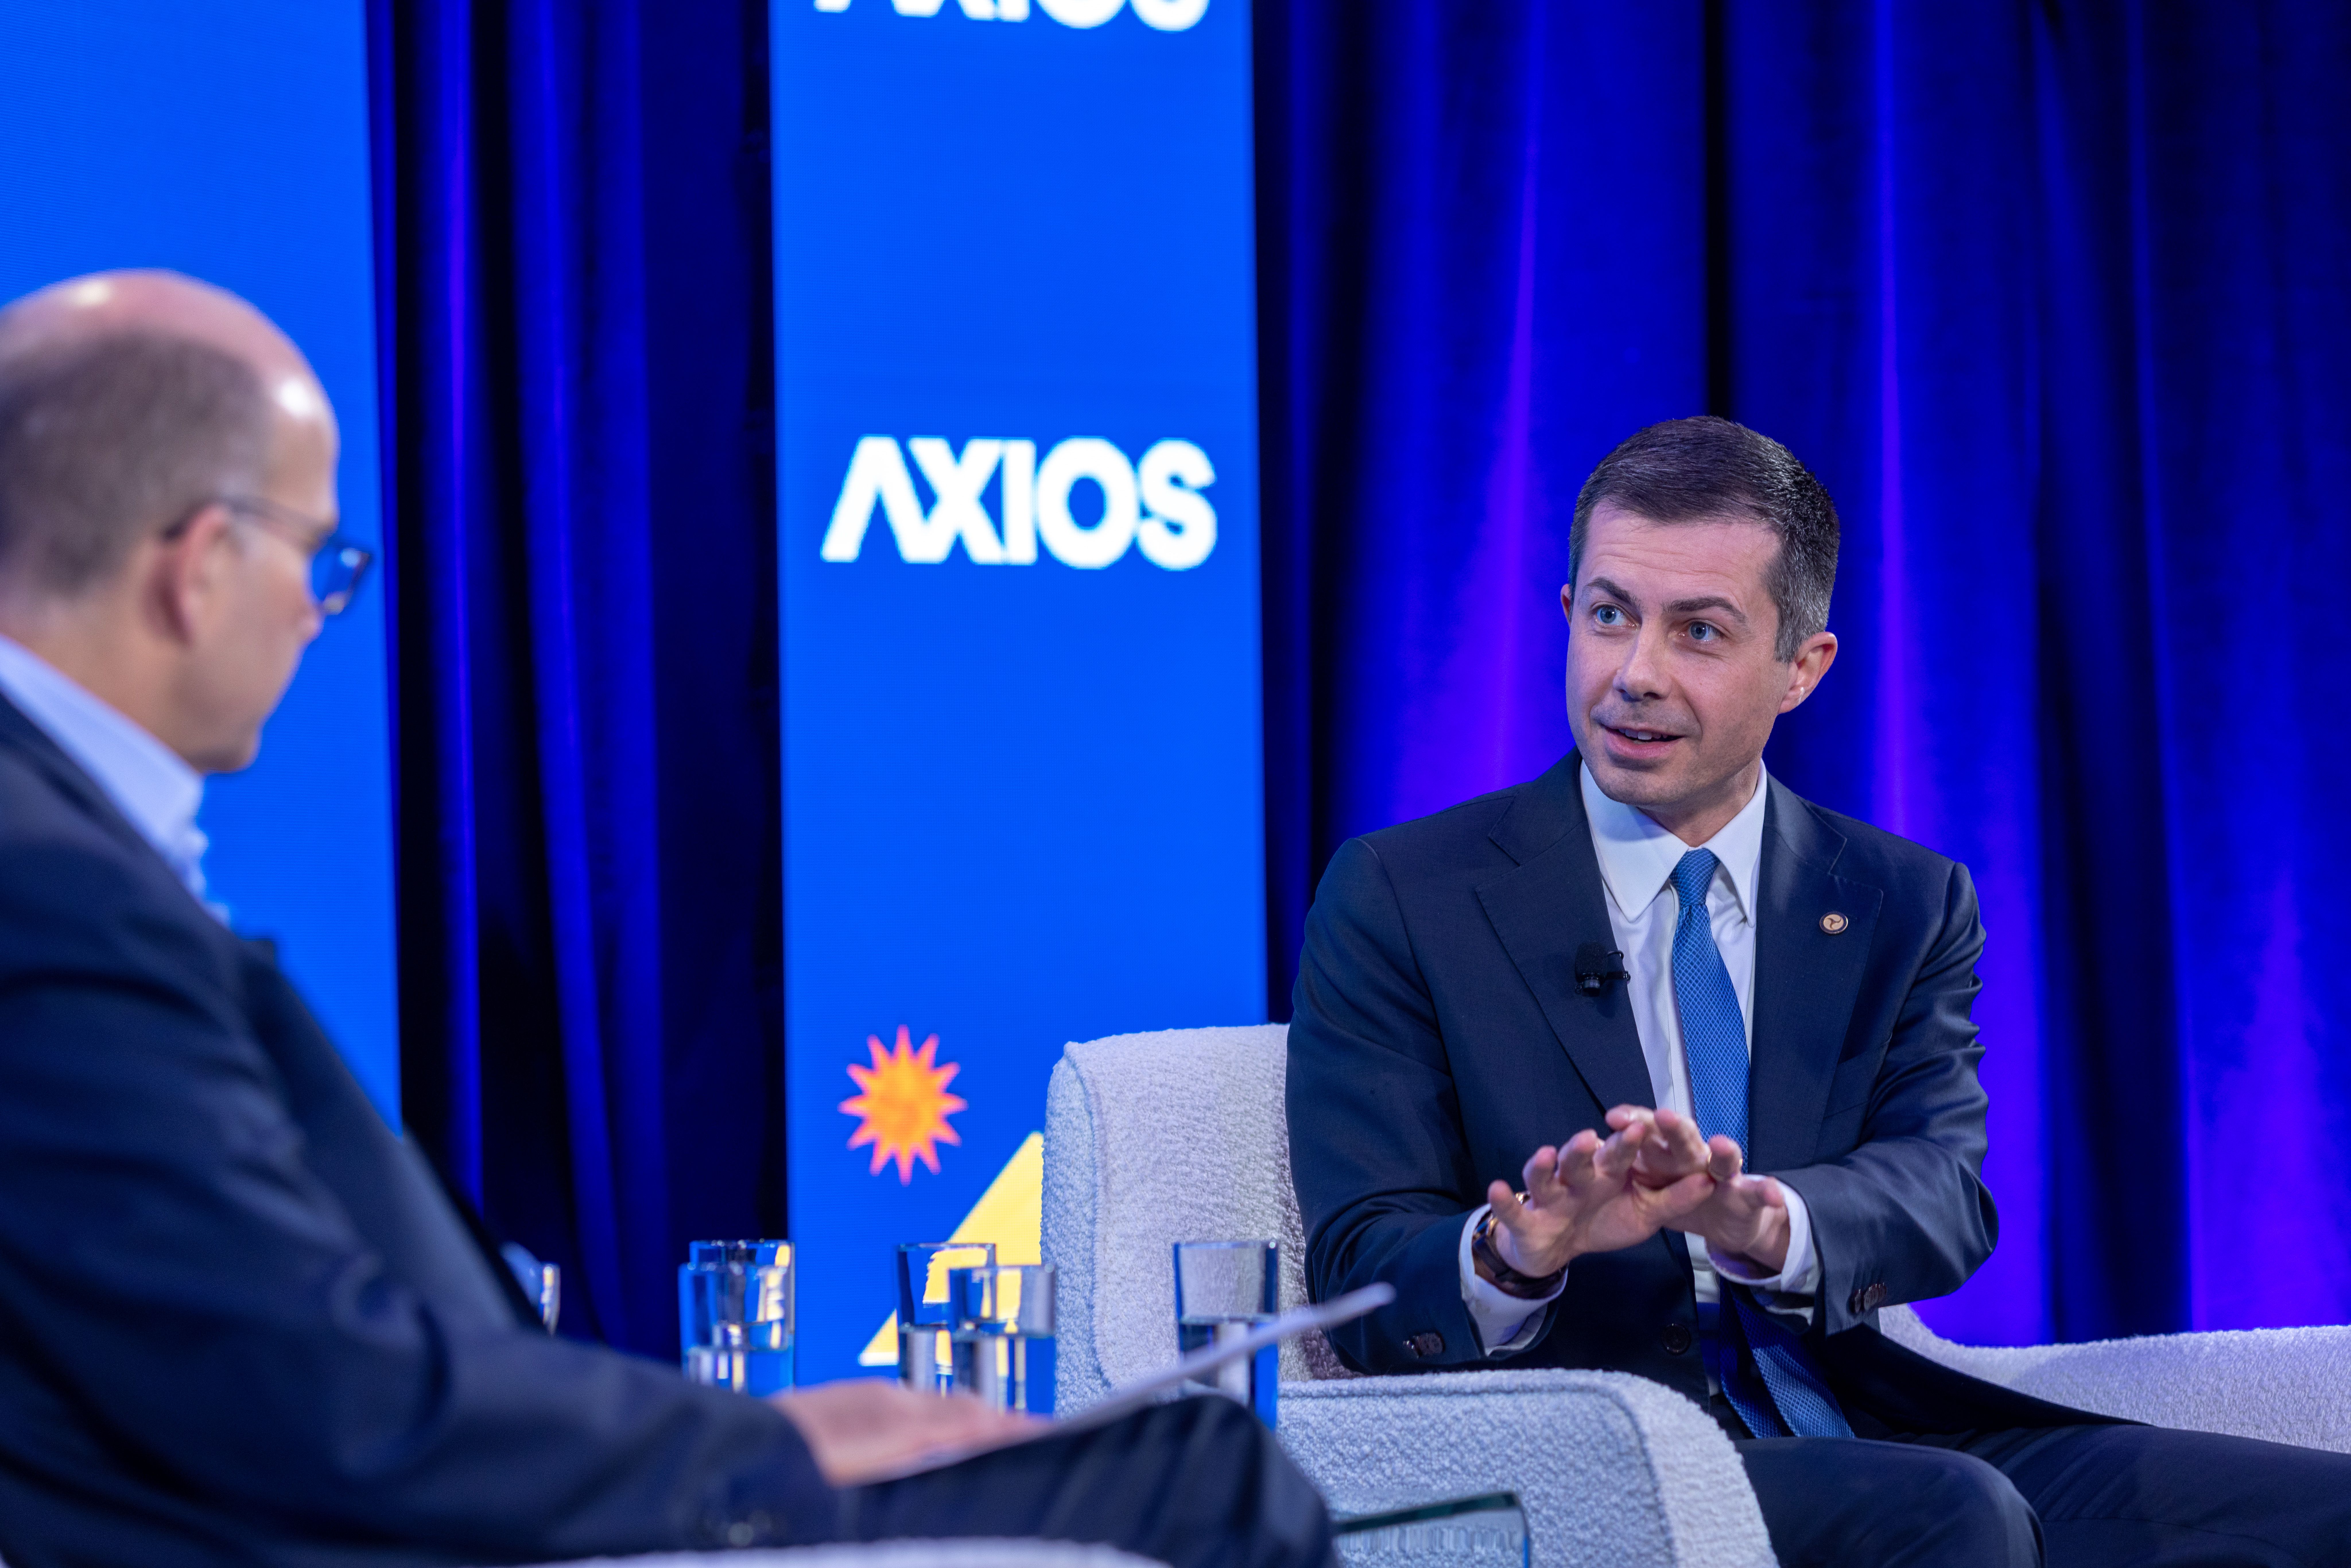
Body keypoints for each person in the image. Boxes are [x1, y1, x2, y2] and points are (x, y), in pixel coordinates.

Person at [0, 269, 1334, 1568]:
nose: (319, 608)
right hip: (403, 1523)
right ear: (200, 564)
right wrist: (760, 1440)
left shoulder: (58, 846)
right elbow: (323, 1395)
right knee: (1197, 1480)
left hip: (419, 1483)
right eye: (318, 556)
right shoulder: (53, 887)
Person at [1286, 415, 2351, 1567]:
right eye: (1608, 615)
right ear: (1564, 616)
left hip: (1874, 1416)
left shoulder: (1900, 899)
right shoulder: (1407, 893)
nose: (1631, 673)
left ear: (1802, 667)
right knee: (1950, 1514)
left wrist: (1766, 1224)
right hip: (1606, 1447)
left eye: (1697, 630)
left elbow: (1941, 1194)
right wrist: (1515, 1250)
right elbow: (1358, 1256)